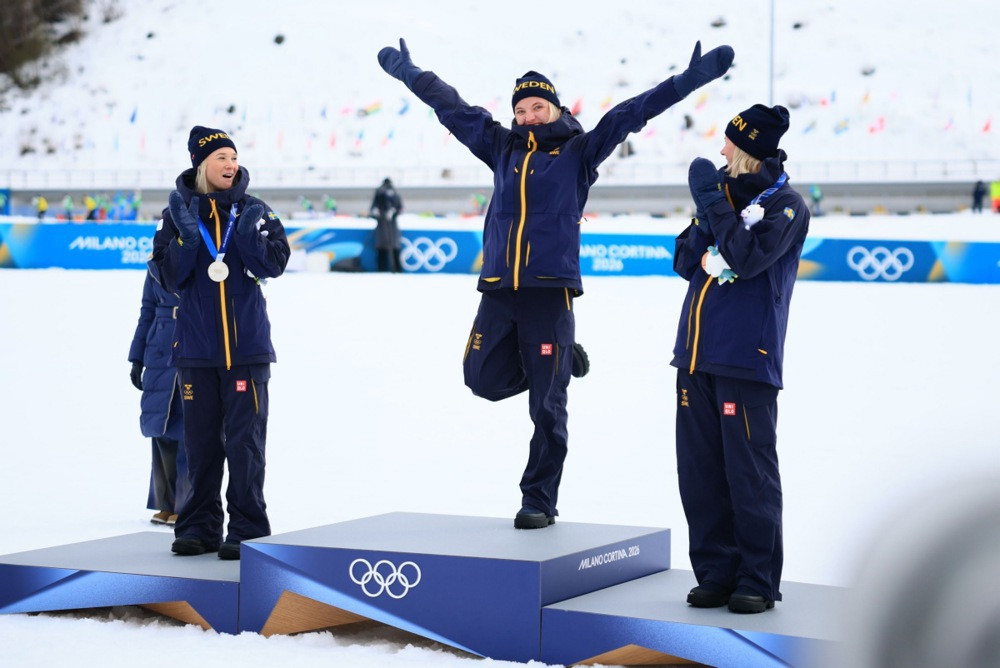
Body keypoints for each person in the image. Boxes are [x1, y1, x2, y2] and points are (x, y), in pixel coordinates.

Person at [378, 37, 733, 529]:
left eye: (536, 106)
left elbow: (633, 112)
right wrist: (409, 72)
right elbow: (450, 106)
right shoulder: (500, 146)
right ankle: (561, 359)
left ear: (556, 107)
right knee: (480, 378)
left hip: (550, 292)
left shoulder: (580, 151)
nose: (527, 115)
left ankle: (539, 498)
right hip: (500, 289)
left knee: (547, 407)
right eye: (520, 109)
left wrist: (688, 80)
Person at [670, 104, 810, 613]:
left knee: (748, 475)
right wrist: (709, 208)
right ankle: (716, 572)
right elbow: (685, 261)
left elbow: (749, 260)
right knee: (700, 474)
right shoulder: (723, 197)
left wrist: (715, 204)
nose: (722, 150)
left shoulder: (787, 206)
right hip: (695, 358)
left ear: (749, 149)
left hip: (746, 360)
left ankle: (756, 577)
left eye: (731, 143)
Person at [148, 125, 290, 560]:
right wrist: (188, 242)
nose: (231, 164)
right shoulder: (174, 215)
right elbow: (166, 276)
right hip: (195, 351)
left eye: (233, 156)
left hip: (246, 350)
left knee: (245, 445)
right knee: (201, 445)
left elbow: (276, 263)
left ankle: (247, 528)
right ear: (201, 164)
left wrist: (247, 236)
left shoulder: (254, 209)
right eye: (220, 158)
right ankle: (198, 527)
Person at [128, 270, 189, 526]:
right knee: (161, 427)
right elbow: (146, 311)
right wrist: (137, 357)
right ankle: (166, 501)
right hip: (159, 347)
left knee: (188, 428)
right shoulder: (155, 266)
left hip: (191, 341)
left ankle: (187, 503)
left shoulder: (198, 255)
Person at [369, 177, 403, 272]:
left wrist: (393, 212)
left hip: (392, 225)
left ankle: (397, 268)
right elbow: (373, 206)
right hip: (382, 223)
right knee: (381, 247)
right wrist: (375, 212)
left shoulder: (394, 193)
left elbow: (400, 207)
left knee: (394, 246)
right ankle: (381, 269)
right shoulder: (379, 193)